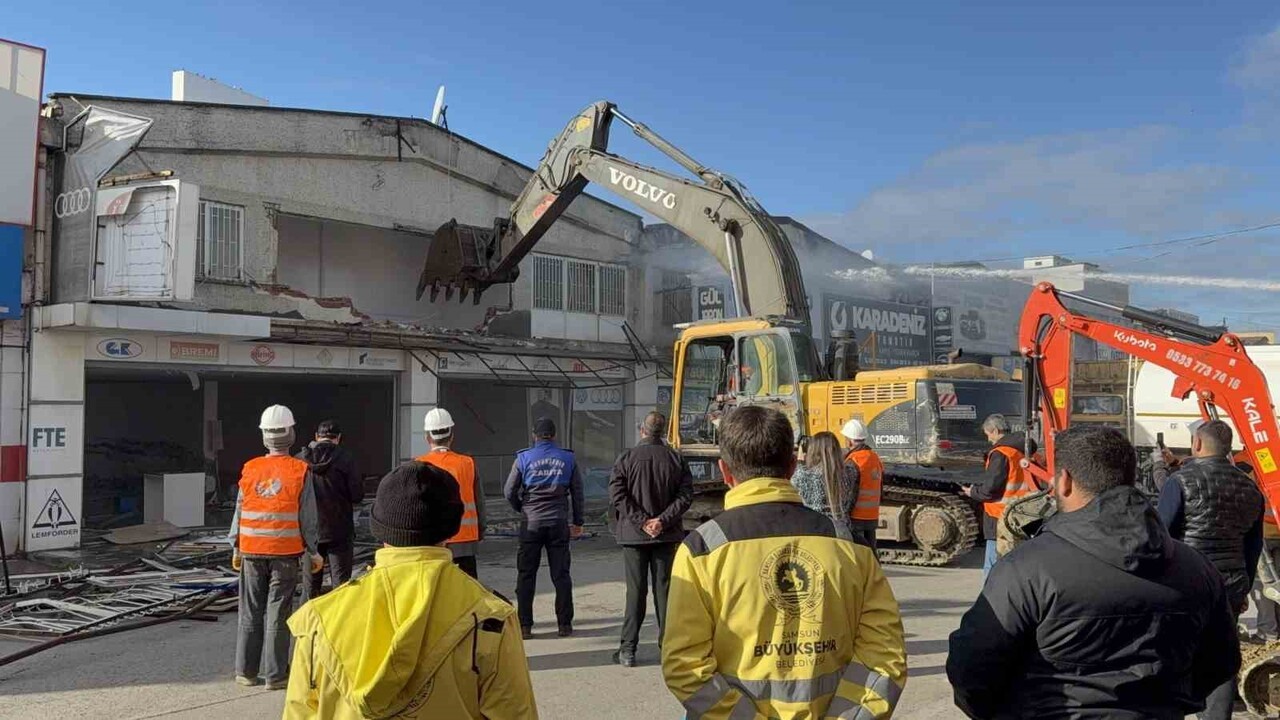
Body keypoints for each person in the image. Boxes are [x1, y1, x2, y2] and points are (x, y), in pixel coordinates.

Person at [947, 425, 1240, 719]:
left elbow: (972, 668)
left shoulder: (1024, 569)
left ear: (1063, 481)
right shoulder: (1198, 569)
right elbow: (1220, 663)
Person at [662, 406, 907, 719]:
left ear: (725, 471)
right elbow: (885, 653)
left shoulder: (702, 550)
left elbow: (684, 666)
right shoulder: (849, 546)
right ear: (792, 466)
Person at [283, 461, 538, 719]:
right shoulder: (490, 619)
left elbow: (299, 712)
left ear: (379, 529)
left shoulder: (319, 620)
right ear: (451, 530)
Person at [1156, 419, 1264, 720]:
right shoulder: (1250, 488)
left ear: (1197, 444)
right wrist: (1243, 589)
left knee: (1176, 654)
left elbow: (1162, 534)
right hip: (1229, 585)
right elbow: (1253, 548)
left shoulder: (1180, 482)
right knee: (1221, 659)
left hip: (1185, 584)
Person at [229, 404, 319, 690]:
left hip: (252, 551)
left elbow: (239, 510)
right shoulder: (300, 470)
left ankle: (246, 672)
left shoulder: (250, 468)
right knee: (278, 613)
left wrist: (236, 547)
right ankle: (276, 676)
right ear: (291, 434)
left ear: (264, 436)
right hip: (285, 553)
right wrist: (313, 550)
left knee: (250, 612)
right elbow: (308, 517)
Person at [608, 411, 693, 668]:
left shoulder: (627, 458)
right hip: (665, 536)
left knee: (635, 592)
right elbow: (686, 495)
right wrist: (661, 521)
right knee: (664, 592)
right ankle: (668, 648)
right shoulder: (676, 459)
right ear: (664, 431)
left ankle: (628, 650)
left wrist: (641, 521)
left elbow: (617, 494)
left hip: (635, 537)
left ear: (642, 430)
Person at [504, 417, 585, 639]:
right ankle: (564, 625)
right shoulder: (568, 458)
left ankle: (525, 626)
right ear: (554, 435)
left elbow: (509, 490)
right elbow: (578, 493)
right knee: (561, 575)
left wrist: (522, 507)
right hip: (558, 523)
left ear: (534, 435)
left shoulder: (524, 458)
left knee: (526, 574)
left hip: (531, 523)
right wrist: (578, 522)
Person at [964, 413, 1038, 577]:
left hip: (999, 517)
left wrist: (973, 492)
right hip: (1024, 515)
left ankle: (989, 600)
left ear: (995, 431)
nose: (989, 440)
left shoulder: (1001, 453)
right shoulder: (1027, 451)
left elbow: (990, 489)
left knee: (993, 565)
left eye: (988, 435)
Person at [416, 408, 485, 579]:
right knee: (467, 598)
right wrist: (479, 532)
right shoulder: (468, 463)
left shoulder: (418, 466)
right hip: (465, 542)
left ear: (427, 437)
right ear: (451, 436)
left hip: (431, 544)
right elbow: (479, 503)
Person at [296, 419, 361, 600]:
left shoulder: (300, 460)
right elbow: (357, 495)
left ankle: (307, 627)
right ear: (338, 438)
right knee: (341, 588)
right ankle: (338, 627)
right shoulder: (346, 459)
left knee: (310, 589)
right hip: (339, 532)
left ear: (317, 437)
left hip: (310, 535)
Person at [789, 431, 856, 536]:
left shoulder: (801, 475)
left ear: (813, 451)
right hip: (842, 531)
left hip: (812, 530)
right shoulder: (850, 473)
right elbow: (851, 503)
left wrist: (801, 460)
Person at [842, 419, 884, 549]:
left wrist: (844, 515)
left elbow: (850, 493)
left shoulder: (853, 461)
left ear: (849, 440)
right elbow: (881, 486)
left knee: (859, 554)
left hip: (856, 517)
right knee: (871, 553)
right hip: (872, 515)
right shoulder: (874, 457)